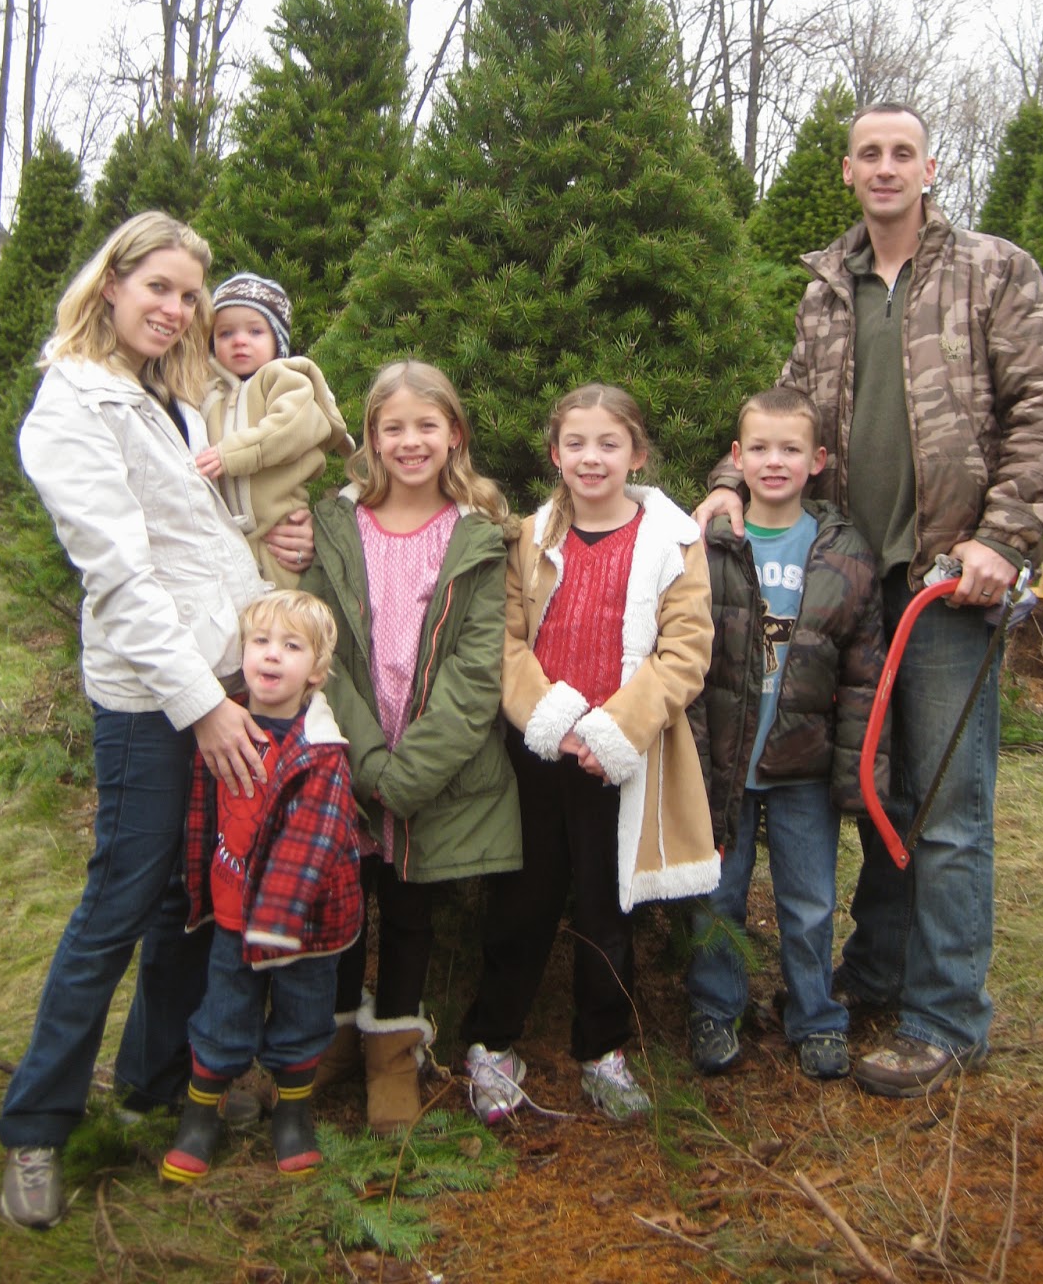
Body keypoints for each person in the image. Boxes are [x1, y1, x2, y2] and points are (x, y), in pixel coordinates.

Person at [695, 104, 1043, 1097]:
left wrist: (1000, 538)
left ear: (929, 166)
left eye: (902, 151)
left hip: (951, 579)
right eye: (869, 152)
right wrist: (730, 482)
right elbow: (784, 411)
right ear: (849, 169)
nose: (885, 166)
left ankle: (946, 1016)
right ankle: (873, 969)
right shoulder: (827, 289)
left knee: (948, 803)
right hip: (849, 583)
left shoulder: (994, 270)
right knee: (879, 791)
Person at [0, 212, 313, 1229]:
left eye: (189, 296)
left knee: (198, 893)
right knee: (121, 900)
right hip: (155, 696)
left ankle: (152, 1081)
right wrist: (205, 709)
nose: (174, 309)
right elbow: (123, 579)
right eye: (159, 288)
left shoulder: (167, 401)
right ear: (111, 283)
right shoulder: (70, 406)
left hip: (223, 673)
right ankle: (36, 1128)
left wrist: (275, 537)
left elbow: (196, 534)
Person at [461, 384, 719, 1125]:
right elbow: (505, 641)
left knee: (609, 909)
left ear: (637, 454)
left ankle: (602, 1049)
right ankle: (492, 1040)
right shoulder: (530, 537)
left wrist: (613, 731)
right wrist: (554, 720)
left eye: (609, 443)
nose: (591, 457)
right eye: (576, 443)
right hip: (541, 748)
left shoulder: (673, 543)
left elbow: (685, 652)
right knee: (524, 899)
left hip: (623, 755)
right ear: (554, 454)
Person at [301, 360, 521, 1135]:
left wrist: (410, 773)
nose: (410, 441)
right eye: (392, 427)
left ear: (454, 434)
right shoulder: (334, 526)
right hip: (351, 752)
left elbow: (476, 670)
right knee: (343, 898)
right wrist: (367, 761)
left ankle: (393, 1048)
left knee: (412, 901)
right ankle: (329, 1034)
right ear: (370, 438)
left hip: (434, 766)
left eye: (426, 425)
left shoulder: (479, 537)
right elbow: (316, 648)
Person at [687, 386, 887, 1082]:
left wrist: (859, 771)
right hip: (725, 761)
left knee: (808, 902)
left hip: (803, 764)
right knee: (719, 898)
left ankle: (816, 1016)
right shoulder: (709, 541)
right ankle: (715, 1010)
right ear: (737, 458)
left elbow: (865, 673)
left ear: (819, 460)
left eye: (792, 449)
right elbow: (680, 653)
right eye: (761, 449)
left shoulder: (844, 552)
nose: (775, 462)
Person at [161, 590, 362, 1183]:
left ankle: (292, 1115)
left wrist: (276, 917)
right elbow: (200, 813)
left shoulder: (321, 750)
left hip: (305, 927)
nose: (272, 656)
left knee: (303, 1015)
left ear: (317, 671)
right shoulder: (222, 725)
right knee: (223, 1012)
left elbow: (313, 840)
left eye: (292, 647)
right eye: (261, 642)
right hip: (232, 915)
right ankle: (200, 1117)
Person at [196, 272, 355, 589]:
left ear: (277, 339)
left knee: (284, 622)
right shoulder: (207, 394)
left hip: (279, 535)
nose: (239, 340)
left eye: (255, 330)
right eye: (226, 333)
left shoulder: (283, 378)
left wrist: (234, 454)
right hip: (224, 545)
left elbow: (291, 427)